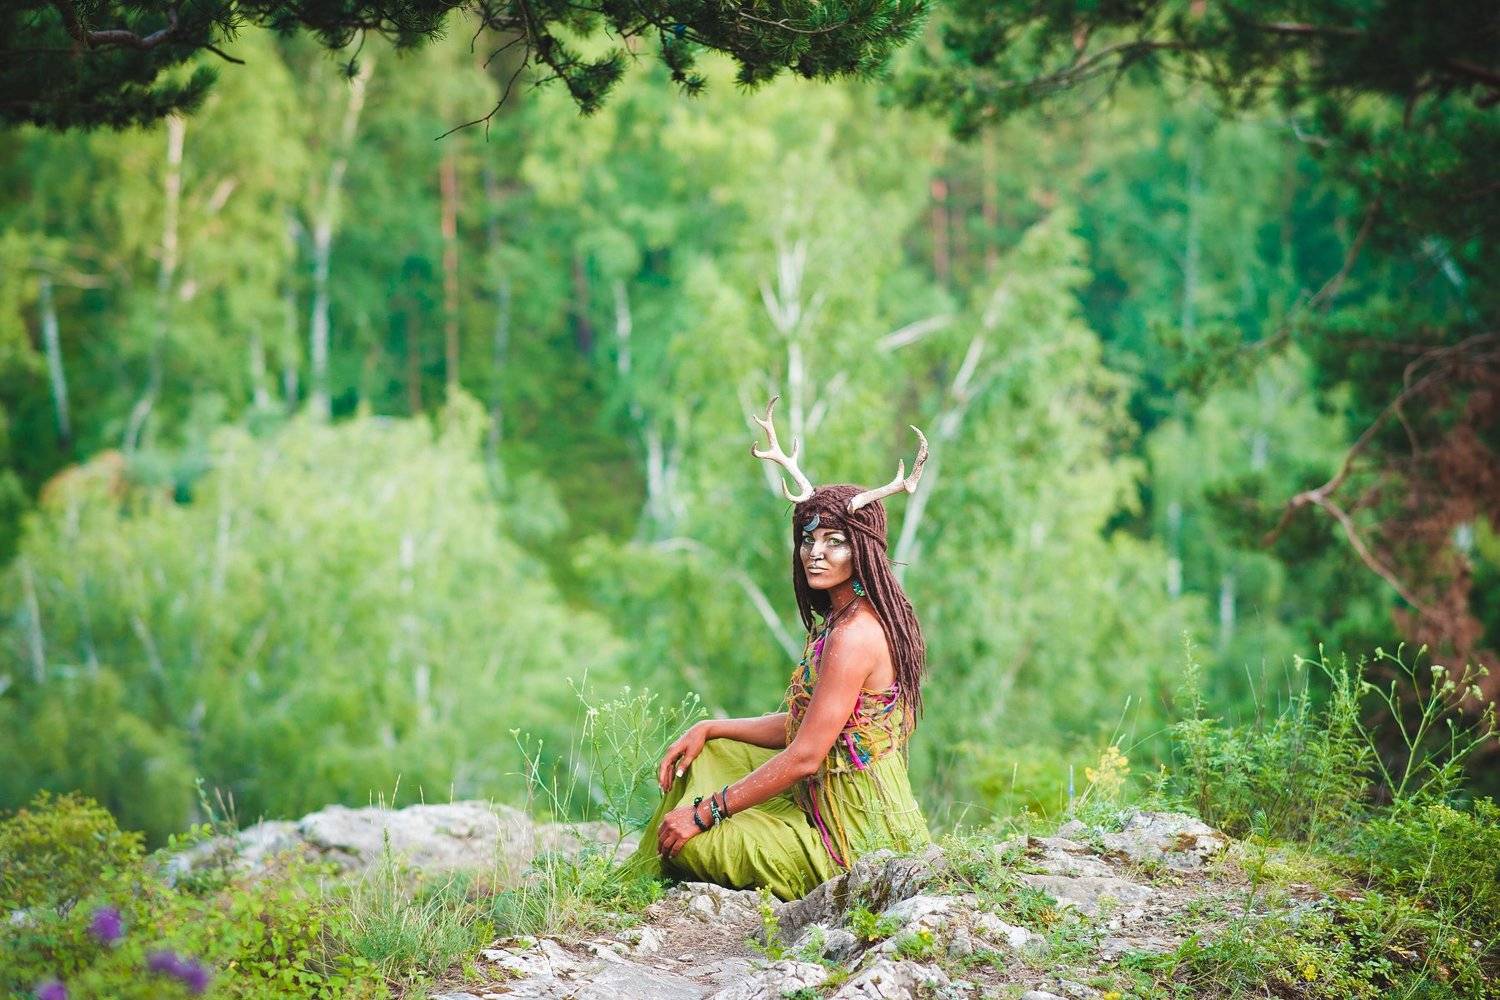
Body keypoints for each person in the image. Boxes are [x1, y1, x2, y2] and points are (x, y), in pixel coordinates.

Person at [620, 396, 932, 900]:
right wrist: (711, 725)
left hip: (848, 833)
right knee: (712, 753)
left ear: (865, 548)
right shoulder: (843, 620)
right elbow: (800, 725)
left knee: (695, 843)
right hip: (818, 801)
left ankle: (655, 871)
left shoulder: (854, 636)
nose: (815, 552)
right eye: (809, 539)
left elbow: (807, 754)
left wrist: (706, 813)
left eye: (835, 540)